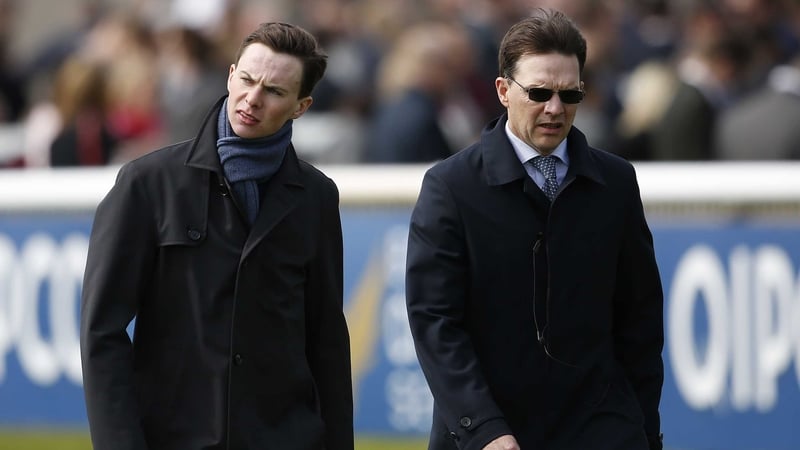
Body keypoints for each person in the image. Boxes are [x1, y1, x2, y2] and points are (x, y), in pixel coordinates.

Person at [80, 22, 353, 450]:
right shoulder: (147, 183)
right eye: (246, 80)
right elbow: (102, 332)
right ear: (230, 75)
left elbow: (327, 343)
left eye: (275, 91)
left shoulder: (317, 197)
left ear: (302, 106)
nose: (253, 99)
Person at [406, 9, 664, 450]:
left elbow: (640, 320)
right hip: (494, 431)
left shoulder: (616, 182)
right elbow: (435, 323)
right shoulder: (450, 186)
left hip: (601, 427)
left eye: (570, 94)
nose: (555, 108)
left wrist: (642, 430)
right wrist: (484, 428)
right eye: (540, 92)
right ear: (504, 91)